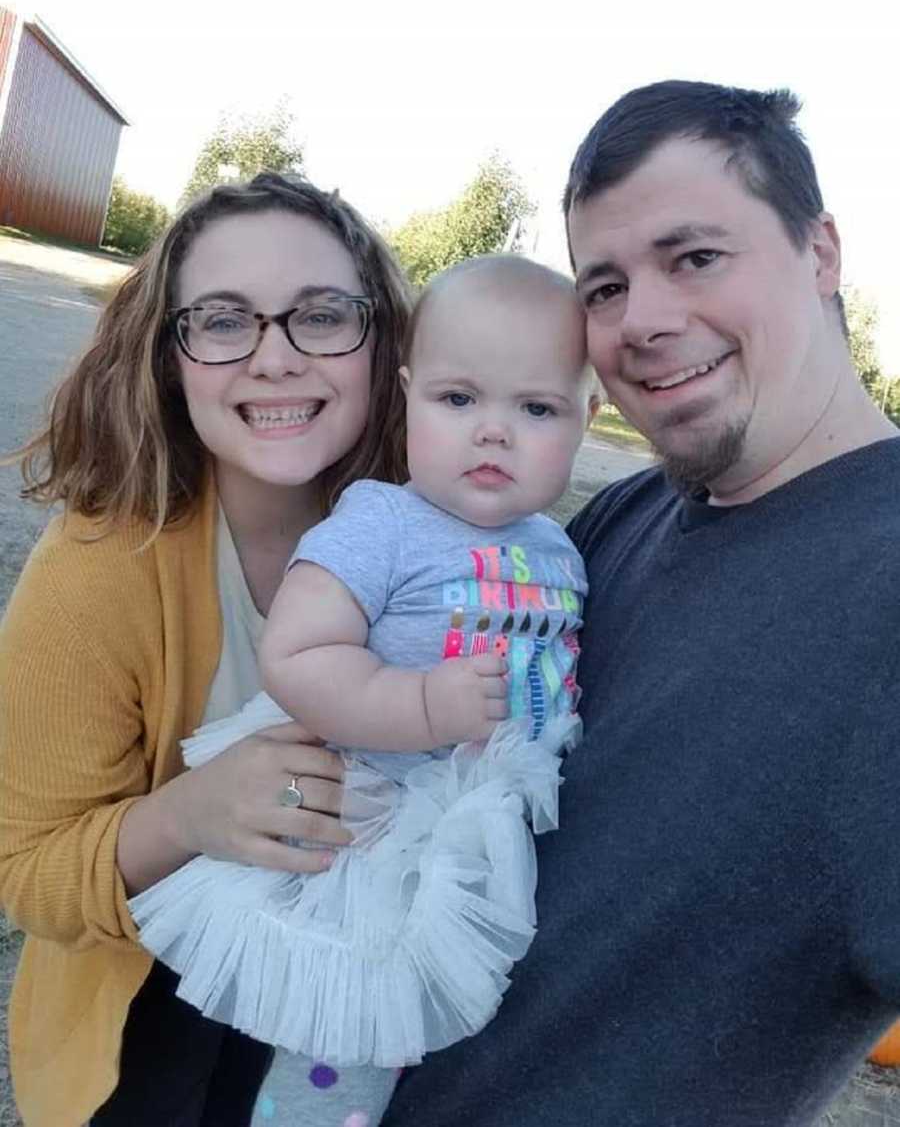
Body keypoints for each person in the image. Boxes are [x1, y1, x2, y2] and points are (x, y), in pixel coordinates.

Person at [380, 81, 900, 1127]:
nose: (644, 321)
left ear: (821, 251)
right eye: (605, 286)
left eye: (695, 257)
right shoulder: (621, 518)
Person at [127, 254, 600, 1127]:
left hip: (482, 839)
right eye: (459, 400)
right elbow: (301, 656)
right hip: (371, 832)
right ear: (410, 396)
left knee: (456, 1050)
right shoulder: (382, 521)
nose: (493, 432)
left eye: (536, 408)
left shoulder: (561, 551)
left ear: (586, 418)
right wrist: (418, 705)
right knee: (349, 1039)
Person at [0, 171, 412, 1127]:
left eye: (320, 314)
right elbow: (29, 874)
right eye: (225, 321)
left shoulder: (428, 537)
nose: (274, 358)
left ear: (380, 340)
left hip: (358, 1015)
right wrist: (189, 815)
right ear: (170, 355)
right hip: (159, 1020)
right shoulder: (100, 566)